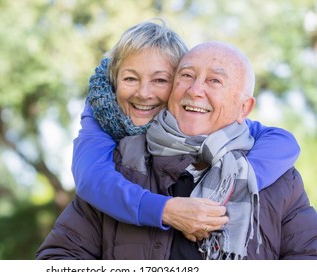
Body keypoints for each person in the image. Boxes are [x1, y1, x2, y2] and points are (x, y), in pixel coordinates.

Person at [36, 41, 317, 259]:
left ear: (244, 107)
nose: (195, 90)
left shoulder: (280, 179)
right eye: (186, 75)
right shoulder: (121, 166)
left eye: (214, 81)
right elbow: (58, 258)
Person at [70, 19, 300, 241]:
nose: (143, 93)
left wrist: (232, 187)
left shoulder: (218, 137)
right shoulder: (102, 113)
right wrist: (165, 210)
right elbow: (90, 178)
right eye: (130, 78)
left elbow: (282, 141)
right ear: (114, 81)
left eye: (160, 80)